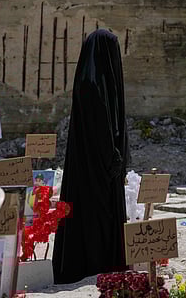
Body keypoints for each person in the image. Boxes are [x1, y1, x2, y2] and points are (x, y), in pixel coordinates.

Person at [52, 29, 129, 284]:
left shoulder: (88, 81)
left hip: (89, 164)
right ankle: (99, 261)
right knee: (98, 214)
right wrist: (113, 156)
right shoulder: (92, 85)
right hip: (99, 164)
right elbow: (101, 128)